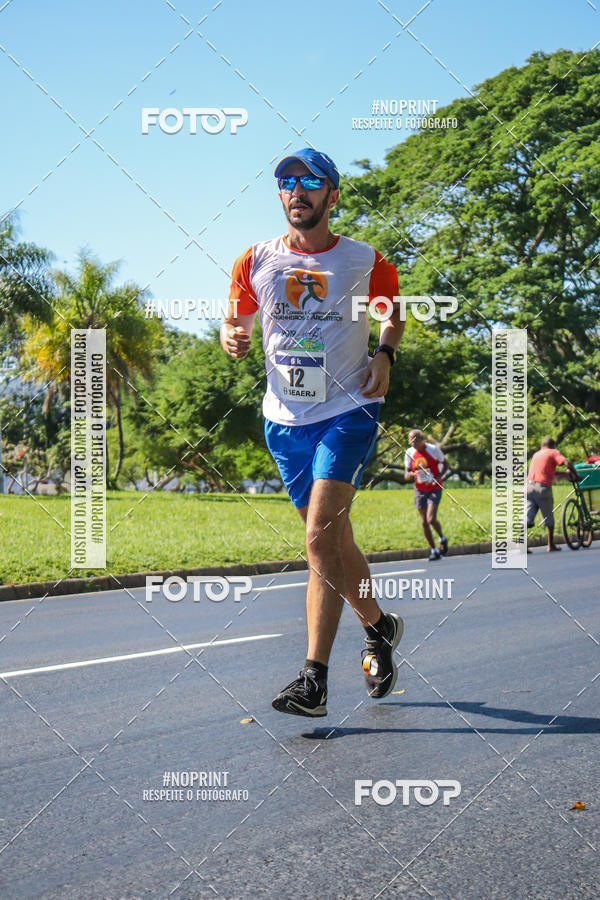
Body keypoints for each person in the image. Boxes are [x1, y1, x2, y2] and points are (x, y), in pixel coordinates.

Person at [220, 148, 405, 717]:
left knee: (320, 539)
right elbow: (236, 318)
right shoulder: (254, 260)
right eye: (286, 182)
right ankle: (378, 626)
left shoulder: (365, 260)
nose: (296, 190)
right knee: (334, 543)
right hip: (284, 419)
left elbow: (393, 314)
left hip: (349, 409)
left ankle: (313, 679)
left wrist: (385, 354)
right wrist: (231, 335)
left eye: (310, 181)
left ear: (333, 195)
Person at [527, 437, 580, 551]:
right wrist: (575, 475)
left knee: (527, 518)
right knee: (548, 518)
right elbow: (567, 463)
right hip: (542, 488)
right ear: (553, 445)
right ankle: (551, 545)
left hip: (528, 487)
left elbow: (550, 471)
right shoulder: (553, 452)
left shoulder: (537, 455)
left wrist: (564, 474)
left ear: (542, 446)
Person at [404, 429, 450, 561]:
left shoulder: (433, 449)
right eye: (410, 441)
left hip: (435, 487)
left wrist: (439, 476)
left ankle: (442, 538)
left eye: (415, 440)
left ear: (421, 439)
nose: (412, 443)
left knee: (431, 519)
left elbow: (446, 464)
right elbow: (406, 474)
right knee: (424, 522)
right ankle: (434, 550)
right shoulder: (409, 453)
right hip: (419, 489)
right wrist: (415, 475)